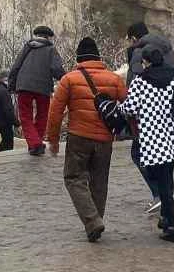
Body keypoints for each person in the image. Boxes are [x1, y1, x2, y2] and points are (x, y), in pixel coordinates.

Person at [121, 46, 174, 243]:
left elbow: (130, 108)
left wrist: (118, 108)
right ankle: (166, 218)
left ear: (146, 62)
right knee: (166, 176)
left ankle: (172, 225)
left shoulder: (140, 82)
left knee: (161, 181)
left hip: (153, 139)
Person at [46, 37, 127, 242]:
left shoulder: (69, 80)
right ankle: (95, 221)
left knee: (73, 178)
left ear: (78, 57)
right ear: (98, 56)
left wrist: (53, 141)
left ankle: (93, 222)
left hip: (79, 137)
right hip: (104, 140)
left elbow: (55, 112)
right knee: (99, 182)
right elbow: (128, 107)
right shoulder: (114, 79)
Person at [8, 25, 65, 156]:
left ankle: (35, 144)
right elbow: (57, 70)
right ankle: (36, 143)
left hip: (24, 86)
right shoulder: (51, 49)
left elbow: (16, 66)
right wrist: (67, 80)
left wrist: (12, 85)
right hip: (43, 87)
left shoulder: (27, 47)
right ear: (48, 37)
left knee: (25, 116)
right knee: (43, 115)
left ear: (36, 35)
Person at [125, 22, 174, 86]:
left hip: (156, 93)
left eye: (129, 41)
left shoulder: (138, 52)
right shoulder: (164, 45)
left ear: (133, 39)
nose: (129, 44)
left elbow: (131, 83)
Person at [0, 72, 18, 152]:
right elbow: (8, 110)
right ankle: (1, 157)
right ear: (5, 79)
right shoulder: (4, 91)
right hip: (4, 122)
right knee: (8, 142)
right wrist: (16, 123)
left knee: (5, 141)